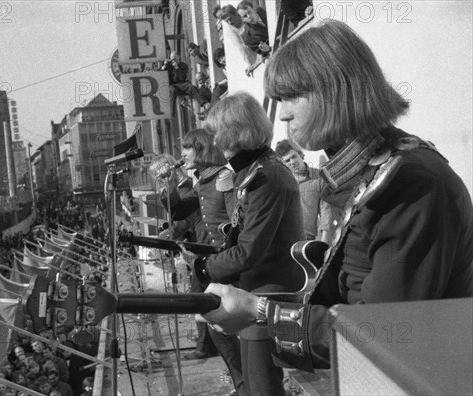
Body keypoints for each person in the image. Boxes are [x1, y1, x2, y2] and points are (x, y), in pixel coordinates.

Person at [198, 20, 473, 373]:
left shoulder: (410, 183)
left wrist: (260, 311)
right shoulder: (377, 171)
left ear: (335, 90)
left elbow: (383, 335)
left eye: (292, 96)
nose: (283, 113)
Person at [194, 93, 304, 395]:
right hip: (254, 289)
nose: (214, 142)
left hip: (267, 292)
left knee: (261, 386)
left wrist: (204, 267)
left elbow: (249, 252)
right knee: (252, 384)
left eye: (218, 133)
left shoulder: (265, 176)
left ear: (236, 133)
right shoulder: (256, 171)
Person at [155, 129, 246, 394]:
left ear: (202, 150)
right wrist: (169, 183)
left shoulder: (223, 176)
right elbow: (180, 211)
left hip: (226, 259)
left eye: (187, 148)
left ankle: (246, 382)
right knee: (219, 325)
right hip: (213, 259)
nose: (182, 154)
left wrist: (225, 251)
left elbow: (236, 221)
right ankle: (242, 382)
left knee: (224, 324)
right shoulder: (203, 181)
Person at [275, 139, 339, 244]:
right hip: (281, 240)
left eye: (293, 156)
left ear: (301, 155)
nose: (292, 162)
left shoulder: (319, 177)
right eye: (287, 161)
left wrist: (324, 244)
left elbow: (328, 211)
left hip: (306, 240)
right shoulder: (280, 183)